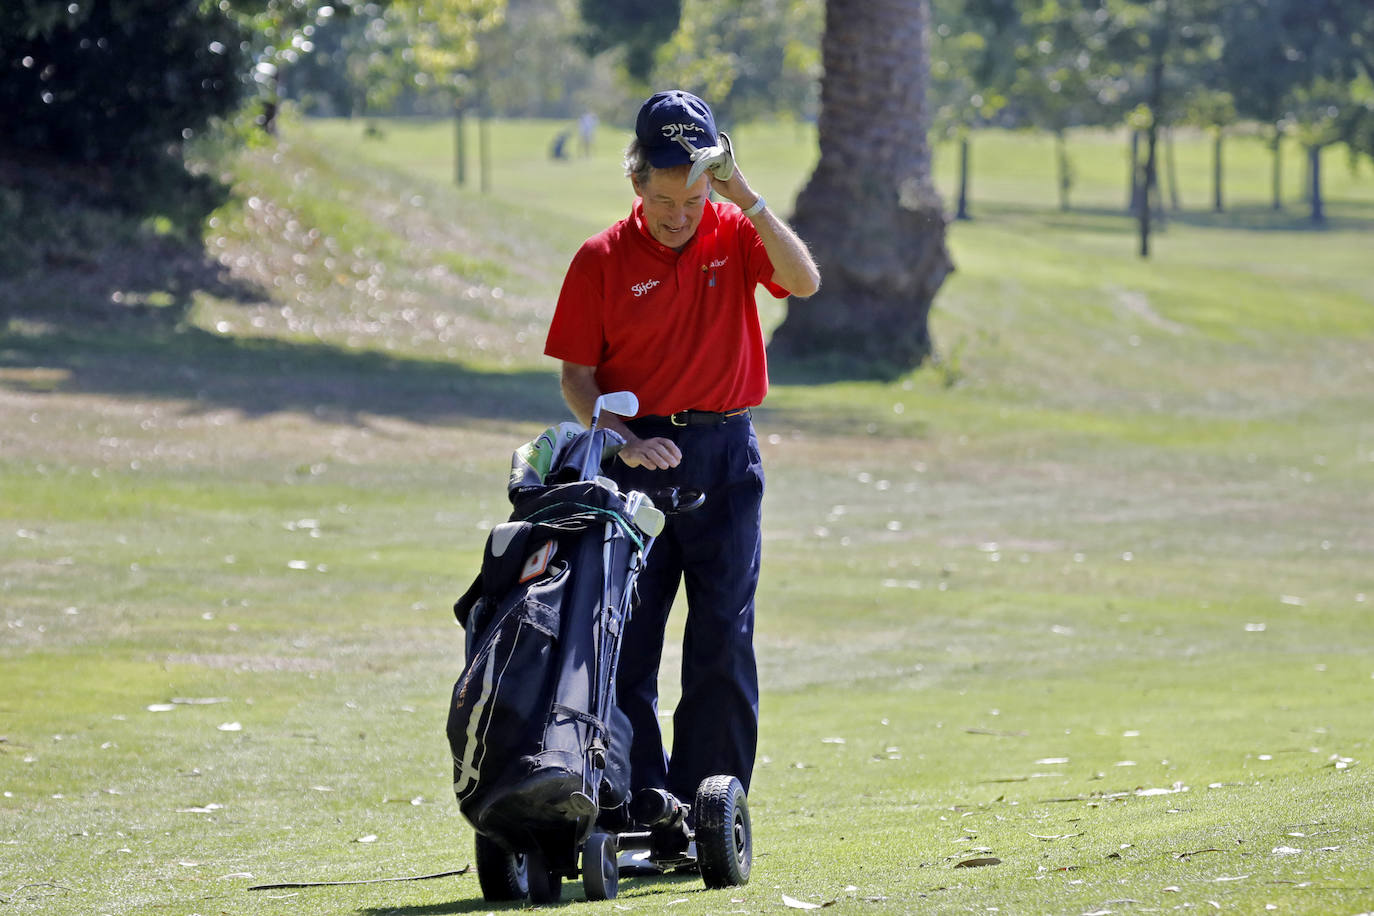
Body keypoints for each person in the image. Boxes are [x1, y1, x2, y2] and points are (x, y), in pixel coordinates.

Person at [543, 90, 820, 836]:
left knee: (723, 637)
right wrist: (622, 439)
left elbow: (803, 282)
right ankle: (639, 804)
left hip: (727, 455)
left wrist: (747, 197)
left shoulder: (733, 230)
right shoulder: (600, 258)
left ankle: (709, 805)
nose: (679, 214)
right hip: (637, 462)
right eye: (664, 198)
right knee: (628, 642)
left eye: (693, 197)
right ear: (637, 183)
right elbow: (577, 377)